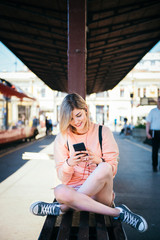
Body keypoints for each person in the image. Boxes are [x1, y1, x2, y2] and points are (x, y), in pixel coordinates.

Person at [30, 93, 148, 233]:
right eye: (70, 118)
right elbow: (63, 177)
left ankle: (62, 208)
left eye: (78, 115)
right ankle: (118, 213)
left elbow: (112, 170)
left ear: (86, 109)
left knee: (104, 167)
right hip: (73, 190)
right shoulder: (62, 137)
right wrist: (69, 163)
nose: (76, 121)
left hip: (100, 194)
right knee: (59, 190)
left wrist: (98, 161)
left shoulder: (103, 131)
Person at [146, 96, 160, 172]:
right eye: (159, 101)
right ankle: (154, 166)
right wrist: (147, 133)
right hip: (155, 132)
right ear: (157, 102)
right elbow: (148, 123)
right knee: (155, 150)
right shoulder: (153, 111)